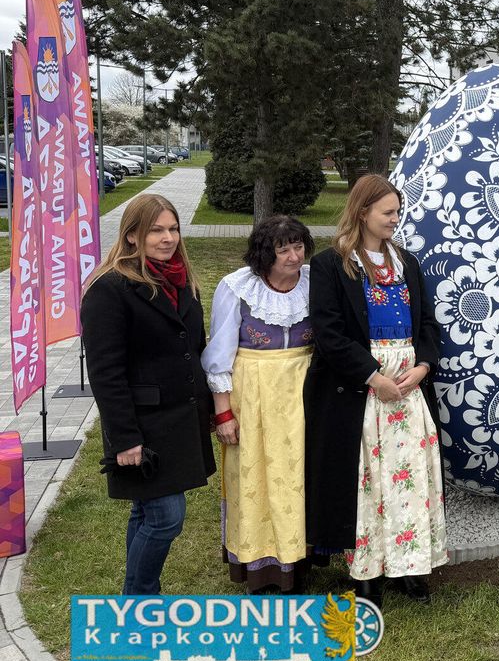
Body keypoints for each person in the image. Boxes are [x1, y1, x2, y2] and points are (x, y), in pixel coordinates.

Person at [305, 174, 446, 605]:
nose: (394, 220)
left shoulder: (406, 262)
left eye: (397, 213)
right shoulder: (332, 265)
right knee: (368, 481)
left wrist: (422, 367)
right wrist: (374, 377)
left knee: (408, 480)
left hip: (407, 390)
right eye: (388, 213)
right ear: (362, 211)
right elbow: (328, 333)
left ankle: (408, 564)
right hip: (361, 390)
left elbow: (427, 324)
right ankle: (367, 572)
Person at [80, 194, 215, 594]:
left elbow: (195, 348)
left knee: (148, 511)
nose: (167, 237)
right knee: (165, 518)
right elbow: (105, 373)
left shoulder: (180, 280)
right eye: (156, 230)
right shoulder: (110, 288)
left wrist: (208, 406)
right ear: (133, 235)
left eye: (172, 228)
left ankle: (135, 597)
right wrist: (125, 438)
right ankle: (141, 598)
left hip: (180, 419)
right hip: (143, 424)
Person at [201, 215, 316, 593]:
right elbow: (219, 354)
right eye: (282, 249)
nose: (292, 256)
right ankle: (259, 567)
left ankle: (298, 561)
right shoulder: (237, 287)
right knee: (255, 477)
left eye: (297, 246)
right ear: (265, 253)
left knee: (300, 478)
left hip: (302, 392)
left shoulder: (316, 283)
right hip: (252, 394)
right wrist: (224, 414)